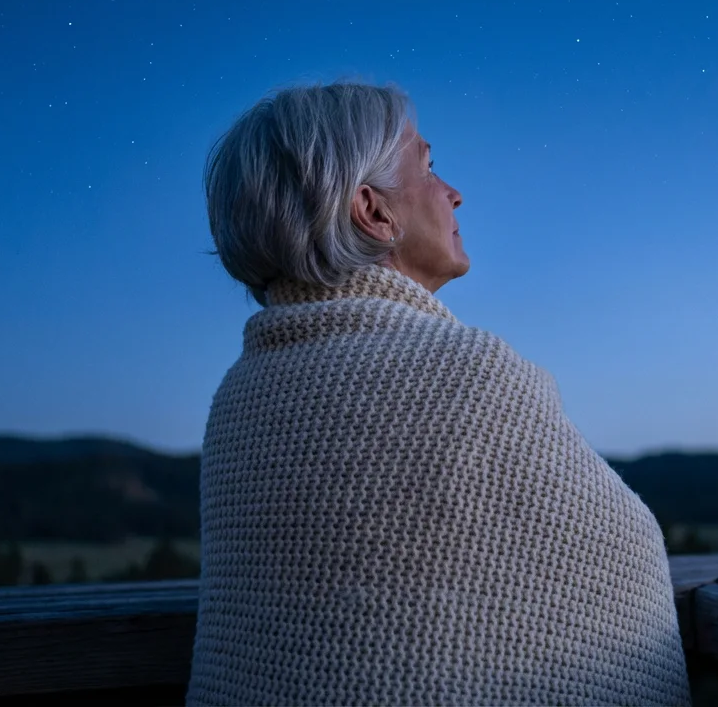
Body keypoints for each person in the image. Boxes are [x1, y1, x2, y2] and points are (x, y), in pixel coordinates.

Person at [187, 82, 692, 706]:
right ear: (373, 211)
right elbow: (624, 556)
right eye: (427, 166)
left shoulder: (241, 394)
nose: (454, 192)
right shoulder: (473, 375)